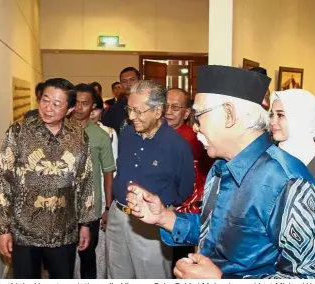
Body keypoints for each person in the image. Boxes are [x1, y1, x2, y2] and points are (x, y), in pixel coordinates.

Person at [126, 65, 315, 279]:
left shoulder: (288, 183)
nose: (195, 127)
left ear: (229, 114)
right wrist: (164, 217)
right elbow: (214, 231)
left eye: (199, 116)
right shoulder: (221, 168)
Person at [0, 78, 96, 279]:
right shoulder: (19, 132)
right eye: (45, 100)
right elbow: (3, 180)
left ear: (70, 108)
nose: (48, 108)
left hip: (64, 230)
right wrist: (3, 229)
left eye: (56, 104)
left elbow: (85, 181)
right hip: (24, 230)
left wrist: (85, 224)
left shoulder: (79, 137)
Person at [106, 80, 194, 279]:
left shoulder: (177, 146)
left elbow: (184, 190)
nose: (131, 117)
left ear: (157, 110)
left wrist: (162, 208)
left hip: (151, 224)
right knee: (116, 273)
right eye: (129, 110)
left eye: (138, 111)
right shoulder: (127, 133)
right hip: (118, 216)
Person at [164, 88, 213, 272]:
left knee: (179, 259)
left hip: (185, 205)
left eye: (175, 107)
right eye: (166, 106)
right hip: (159, 205)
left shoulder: (195, 138)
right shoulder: (154, 132)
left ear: (186, 113)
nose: (168, 111)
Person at [72, 83, 116, 279]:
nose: (80, 108)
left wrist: (107, 208)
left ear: (93, 108)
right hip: (62, 210)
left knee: (88, 258)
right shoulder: (57, 131)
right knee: (62, 260)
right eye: (76, 102)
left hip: (91, 210)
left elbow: (108, 173)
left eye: (85, 103)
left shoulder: (101, 136)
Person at [270, 89, 315, 205]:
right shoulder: (274, 154)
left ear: (299, 119)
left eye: (280, 115)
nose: (272, 121)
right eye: (272, 115)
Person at [102, 67, 140, 136]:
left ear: (139, 81)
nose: (128, 83)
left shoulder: (149, 107)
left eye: (132, 80)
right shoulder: (112, 110)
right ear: (121, 84)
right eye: (124, 81)